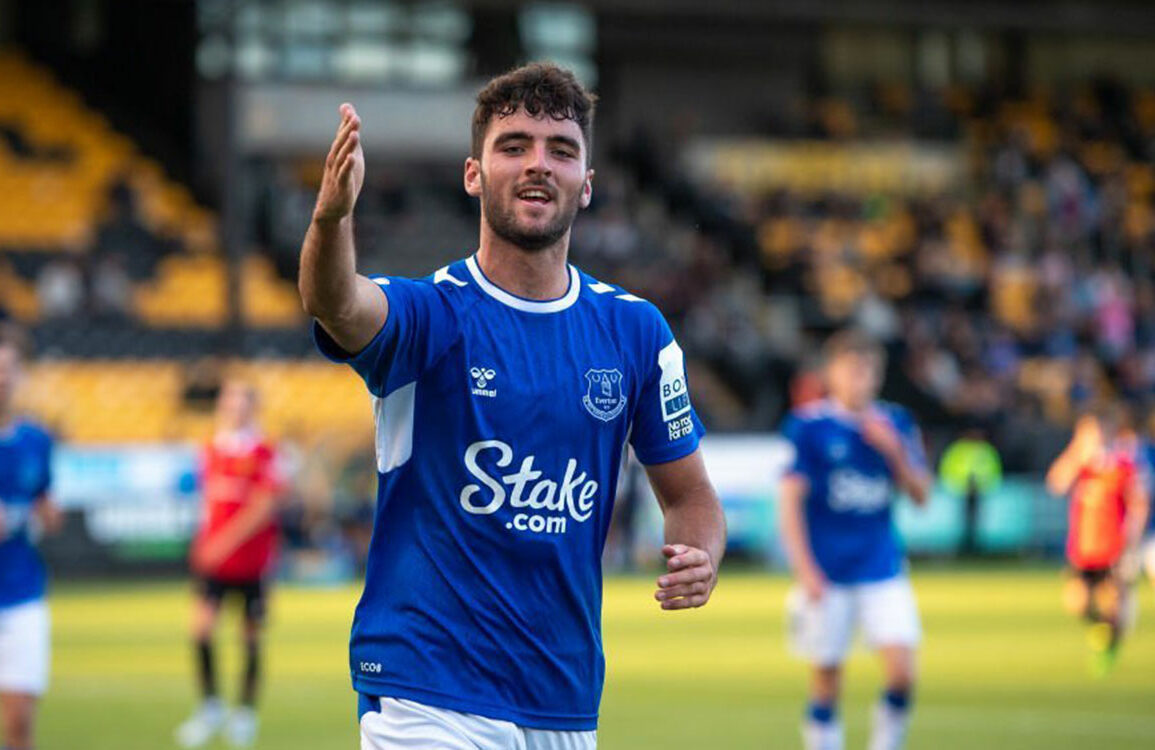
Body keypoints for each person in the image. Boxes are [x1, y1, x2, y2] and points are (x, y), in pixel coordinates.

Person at [299, 62, 726, 749]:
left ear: (586, 184)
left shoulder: (636, 332)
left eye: (561, 150)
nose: (538, 164)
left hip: (563, 696)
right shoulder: (431, 315)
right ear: (473, 174)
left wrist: (700, 552)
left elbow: (690, 494)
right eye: (514, 146)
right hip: (426, 689)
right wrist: (332, 217)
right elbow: (337, 302)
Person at [778, 331, 931, 750]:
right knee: (826, 678)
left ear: (878, 376)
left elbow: (922, 496)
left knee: (902, 672)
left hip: (882, 565)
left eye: (867, 371)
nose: (859, 380)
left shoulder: (896, 423)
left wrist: (894, 450)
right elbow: (790, 502)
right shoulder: (809, 427)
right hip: (828, 570)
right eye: (851, 370)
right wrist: (804, 569)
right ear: (832, 374)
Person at [175, 380, 284, 748]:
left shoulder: (265, 451)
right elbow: (208, 503)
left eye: (240, 402)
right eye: (229, 402)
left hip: (251, 562)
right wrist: (204, 541)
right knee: (201, 630)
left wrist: (222, 542)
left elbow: (264, 505)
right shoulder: (210, 449)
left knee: (250, 636)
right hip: (215, 563)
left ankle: (245, 714)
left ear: (252, 407)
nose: (234, 409)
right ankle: (210, 708)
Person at [1046, 404, 1149, 677]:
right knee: (1076, 603)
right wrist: (1074, 453)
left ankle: (1110, 640)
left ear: (1106, 433)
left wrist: (1130, 540)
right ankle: (1104, 630)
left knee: (1111, 602)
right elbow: (1056, 483)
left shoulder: (1123, 466)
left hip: (1112, 547)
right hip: (1083, 548)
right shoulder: (1081, 466)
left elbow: (1139, 504)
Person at [0, 324, 62, 750]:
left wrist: (45, 514)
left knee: (20, 720)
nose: (2, 377)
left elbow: (44, 501)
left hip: (22, 591)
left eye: (9, 368)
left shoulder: (36, 440)